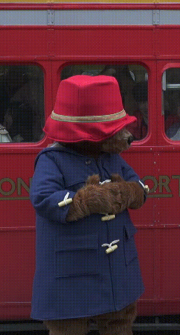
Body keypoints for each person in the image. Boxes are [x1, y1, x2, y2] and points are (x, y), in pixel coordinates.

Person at [30, 75, 147, 335]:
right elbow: (43, 198)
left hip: (115, 270)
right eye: (112, 130)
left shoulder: (110, 157)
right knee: (68, 328)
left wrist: (126, 192)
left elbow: (139, 187)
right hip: (73, 270)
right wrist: (88, 200)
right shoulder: (52, 159)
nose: (125, 136)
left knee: (119, 326)